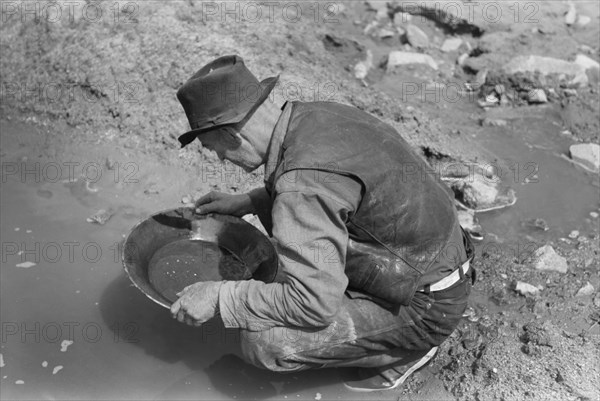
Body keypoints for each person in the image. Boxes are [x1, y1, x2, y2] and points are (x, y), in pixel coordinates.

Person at [170, 55, 475, 392]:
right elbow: (336, 191)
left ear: (231, 136)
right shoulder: (311, 116)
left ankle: (404, 352)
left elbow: (313, 305)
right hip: (428, 256)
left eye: (214, 149)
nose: (219, 158)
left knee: (265, 342)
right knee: (282, 251)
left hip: (426, 304)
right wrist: (250, 201)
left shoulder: (301, 184)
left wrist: (219, 297)